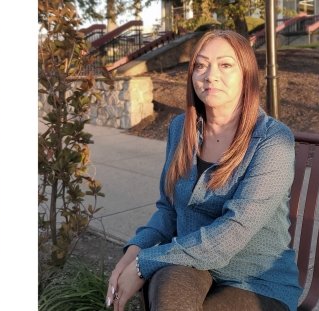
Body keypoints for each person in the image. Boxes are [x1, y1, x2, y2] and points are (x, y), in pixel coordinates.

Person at [106, 30, 301, 311]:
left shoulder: (273, 141)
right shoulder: (180, 129)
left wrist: (144, 264)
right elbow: (169, 210)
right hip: (193, 265)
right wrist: (134, 252)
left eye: (225, 65)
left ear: (246, 74)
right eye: (200, 65)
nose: (210, 75)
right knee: (169, 283)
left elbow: (232, 234)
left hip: (256, 281)